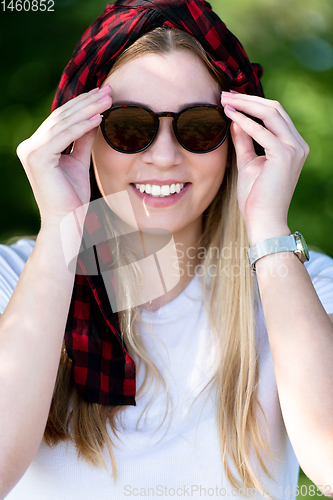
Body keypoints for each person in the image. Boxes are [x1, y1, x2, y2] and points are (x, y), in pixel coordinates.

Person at [0, 1, 333, 499]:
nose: (162, 156)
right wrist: (63, 233)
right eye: (128, 126)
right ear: (79, 135)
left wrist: (268, 230)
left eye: (199, 126)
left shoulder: (300, 282)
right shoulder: (13, 278)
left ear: (239, 139)